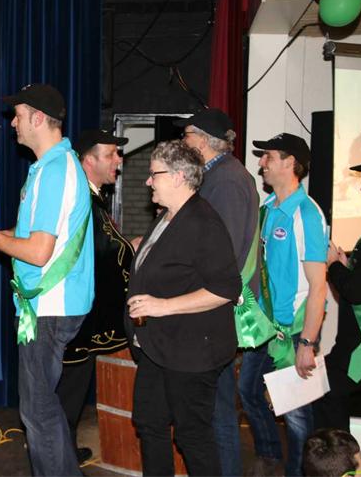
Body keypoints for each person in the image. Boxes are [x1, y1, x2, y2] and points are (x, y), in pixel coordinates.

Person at [0, 83, 94, 476]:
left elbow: (40, 252)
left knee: (39, 415)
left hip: (51, 307)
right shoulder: (50, 167)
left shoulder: (56, 171)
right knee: (41, 411)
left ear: (38, 118)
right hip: (45, 306)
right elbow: (34, 237)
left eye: (19, 115)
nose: (13, 123)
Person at [125, 139, 241, 476]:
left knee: (192, 436)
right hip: (159, 348)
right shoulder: (168, 217)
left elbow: (226, 288)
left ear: (178, 177)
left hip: (192, 352)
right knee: (149, 423)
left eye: (154, 174)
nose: (148, 181)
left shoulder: (203, 222)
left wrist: (163, 306)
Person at [175, 108, 260, 477]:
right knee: (214, 408)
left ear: (203, 141)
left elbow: (220, 251)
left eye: (187, 134)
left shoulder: (225, 180)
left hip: (216, 310)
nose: (182, 141)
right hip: (215, 306)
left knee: (218, 411)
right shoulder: (221, 175)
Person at [240, 133, 328, 477]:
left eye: (269, 157)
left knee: (297, 415)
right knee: (248, 391)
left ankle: (299, 472)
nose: (262, 163)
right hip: (264, 326)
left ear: (290, 163)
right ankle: (269, 454)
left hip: (293, 333)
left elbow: (318, 287)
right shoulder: (268, 208)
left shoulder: (306, 214)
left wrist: (307, 342)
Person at [58, 129, 134, 464]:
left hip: (81, 314)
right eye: (111, 154)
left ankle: (63, 451)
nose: (118, 160)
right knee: (68, 393)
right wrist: (131, 250)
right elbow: (102, 252)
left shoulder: (90, 198)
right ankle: (59, 460)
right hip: (77, 316)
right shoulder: (83, 201)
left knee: (70, 391)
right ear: (88, 160)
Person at [315, 160, 361, 432]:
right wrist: (346, 268)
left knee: (327, 395)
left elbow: (357, 292)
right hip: (354, 345)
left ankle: (339, 458)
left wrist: (334, 265)